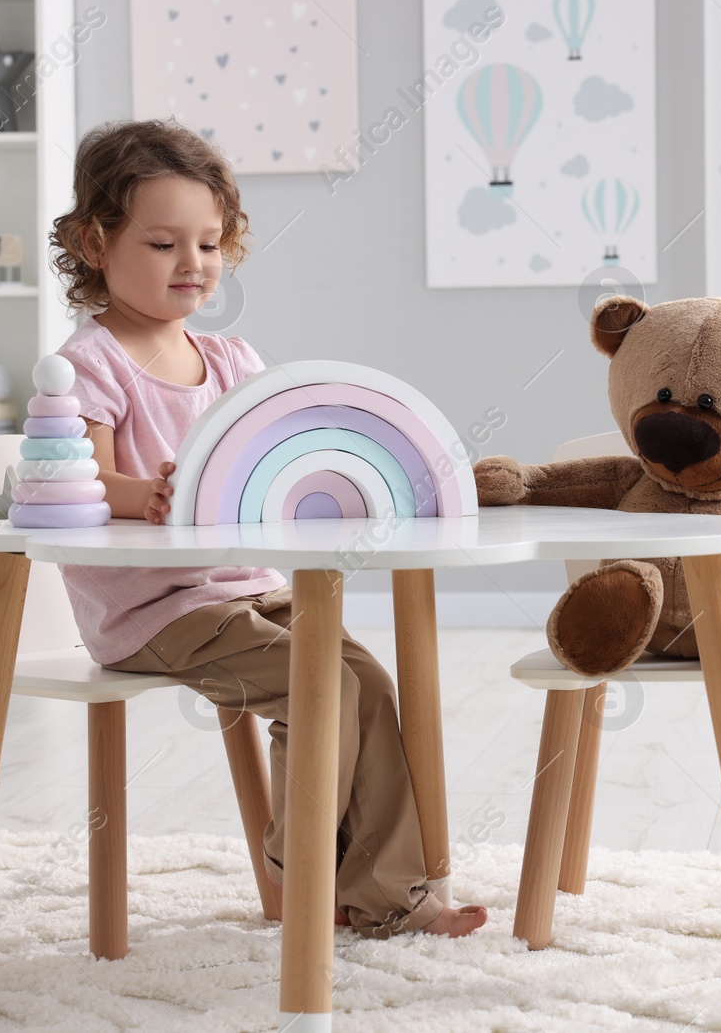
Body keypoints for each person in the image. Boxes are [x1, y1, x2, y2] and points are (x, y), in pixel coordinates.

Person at [46, 119, 486, 939]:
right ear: (93, 243)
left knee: (370, 684)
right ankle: (306, 879)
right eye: (164, 242)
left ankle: (386, 888)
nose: (193, 263)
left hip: (249, 583)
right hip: (156, 611)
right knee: (321, 687)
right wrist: (144, 494)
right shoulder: (91, 362)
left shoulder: (233, 361)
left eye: (209, 243)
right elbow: (80, 480)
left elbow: (266, 468)